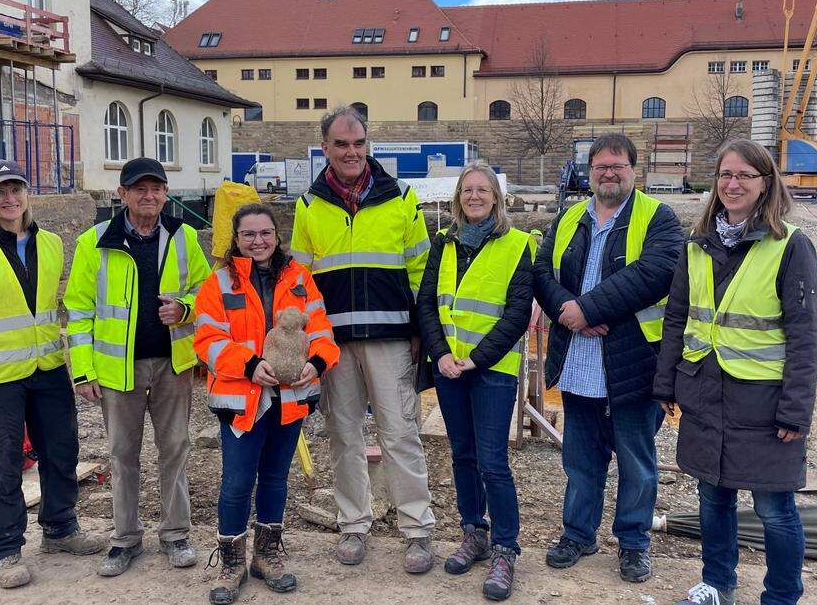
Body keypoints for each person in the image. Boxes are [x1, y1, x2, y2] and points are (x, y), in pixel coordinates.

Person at [653, 139, 817, 605]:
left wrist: (795, 412)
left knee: (774, 509)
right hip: (705, 394)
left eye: (746, 175)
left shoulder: (790, 246)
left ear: (766, 183)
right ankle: (718, 585)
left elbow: (805, 337)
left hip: (763, 403)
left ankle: (782, 596)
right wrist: (666, 382)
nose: (733, 184)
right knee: (713, 498)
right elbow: (678, 317)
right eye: (726, 174)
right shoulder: (697, 245)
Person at [0, 160, 105, 589]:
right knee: (5, 462)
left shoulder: (50, 243)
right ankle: (6, 548)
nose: (10, 199)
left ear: (27, 193)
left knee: (61, 451)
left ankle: (60, 529)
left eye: (16, 189)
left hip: (47, 369)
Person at [290, 105, 436, 573]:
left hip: (391, 338)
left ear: (367, 143)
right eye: (341, 144)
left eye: (358, 143)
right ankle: (353, 524)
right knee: (343, 435)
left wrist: (417, 329)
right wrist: (308, 340)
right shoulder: (309, 206)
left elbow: (420, 271)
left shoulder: (402, 198)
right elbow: (300, 280)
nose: (351, 152)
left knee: (400, 434)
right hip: (333, 343)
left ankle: (416, 529)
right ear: (325, 148)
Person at [532, 133, 682, 582]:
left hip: (633, 365)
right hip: (579, 364)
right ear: (590, 171)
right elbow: (542, 271)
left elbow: (657, 271)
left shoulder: (659, 217)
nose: (609, 173)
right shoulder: (569, 218)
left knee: (636, 463)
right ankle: (578, 534)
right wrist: (567, 311)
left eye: (618, 165)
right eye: (601, 166)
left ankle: (634, 544)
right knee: (581, 460)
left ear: (634, 170)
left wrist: (589, 309)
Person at [64, 157, 212, 577]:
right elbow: (78, 310)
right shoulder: (94, 242)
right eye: (139, 189)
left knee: (175, 451)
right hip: (117, 371)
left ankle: (176, 534)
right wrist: (83, 371)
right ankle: (125, 539)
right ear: (122, 194)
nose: (149, 196)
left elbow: (207, 294)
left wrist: (184, 309)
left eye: (157, 189)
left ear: (166, 193)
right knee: (122, 455)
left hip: (173, 365)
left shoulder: (183, 237)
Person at [195, 202, 340, 604]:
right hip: (242, 399)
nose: (257, 241)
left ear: (277, 236)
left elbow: (321, 328)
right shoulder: (220, 282)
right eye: (248, 235)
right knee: (237, 482)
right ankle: (230, 561)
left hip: (289, 399)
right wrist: (249, 365)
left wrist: (318, 361)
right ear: (235, 239)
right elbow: (207, 341)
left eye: (264, 233)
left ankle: (267, 554)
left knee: (276, 479)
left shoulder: (298, 278)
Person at [416, 162, 534, 601]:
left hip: (492, 372)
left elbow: (517, 315)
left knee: (493, 462)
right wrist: (441, 354)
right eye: (468, 190)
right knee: (462, 454)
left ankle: (506, 548)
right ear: (458, 198)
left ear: (496, 199)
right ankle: (474, 532)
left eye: (483, 190)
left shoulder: (518, 245)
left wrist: (475, 360)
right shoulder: (443, 244)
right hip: (450, 369)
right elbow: (427, 303)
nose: (475, 197)